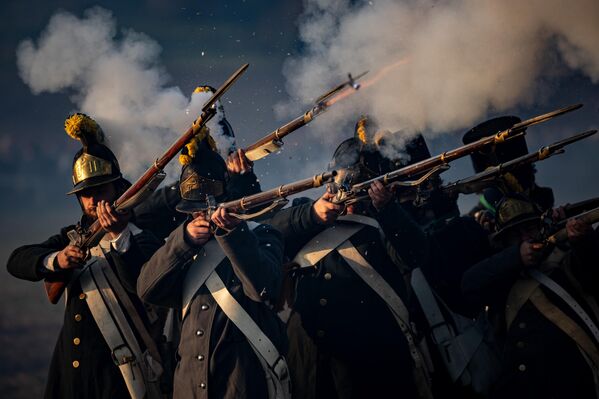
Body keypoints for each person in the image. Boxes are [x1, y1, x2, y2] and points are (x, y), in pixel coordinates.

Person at [6, 113, 165, 399]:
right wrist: (57, 261)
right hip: (71, 374)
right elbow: (16, 260)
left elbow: (145, 287)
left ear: (118, 188)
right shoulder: (72, 236)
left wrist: (119, 235)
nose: (93, 200)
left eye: (100, 190)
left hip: (120, 378)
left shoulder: (143, 236)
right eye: (86, 193)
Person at [268, 135, 433, 399]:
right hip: (313, 367)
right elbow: (270, 234)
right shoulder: (309, 215)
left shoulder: (384, 223)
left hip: (374, 367)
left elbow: (415, 255)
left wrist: (387, 209)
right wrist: (312, 214)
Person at [136, 144, 289, 399]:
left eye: (204, 207)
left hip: (242, 385)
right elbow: (146, 288)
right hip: (189, 387)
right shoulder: (183, 248)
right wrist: (183, 239)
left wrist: (232, 232)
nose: (199, 214)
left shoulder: (260, 234)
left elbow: (262, 289)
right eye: (193, 210)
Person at [462, 194, 599, 399]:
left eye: (529, 228)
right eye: (515, 234)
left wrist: (584, 240)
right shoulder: (502, 279)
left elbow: (594, 275)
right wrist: (516, 256)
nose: (525, 237)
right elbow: (469, 284)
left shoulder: (565, 258)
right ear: (505, 242)